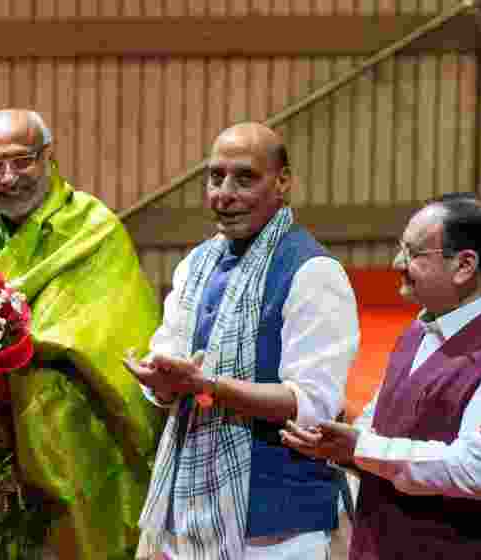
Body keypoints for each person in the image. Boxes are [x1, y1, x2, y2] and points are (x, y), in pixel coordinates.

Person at [0, 108, 164, 560]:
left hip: (73, 437)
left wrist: (8, 374)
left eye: (22, 161)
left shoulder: (92, 227)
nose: (9, 178)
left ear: (48, 157)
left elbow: (105, 341)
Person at [132, 122, 360, 560]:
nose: (225, 193)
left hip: (279, 528)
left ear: (284, 182)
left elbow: (311, 404)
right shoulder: (196, 264)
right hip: (187, 514)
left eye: (245, 178)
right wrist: (157, 380)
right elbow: (169, 357)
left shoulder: (313, 272)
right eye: (215, 177)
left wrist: (208, 388)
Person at [282, 193, 481, 559]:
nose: (397, 262)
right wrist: (338, 442)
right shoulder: (419, 328)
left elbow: (478, 469)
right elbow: (379, 417)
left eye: (413, 253)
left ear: (465, 265)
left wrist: (359, 447)